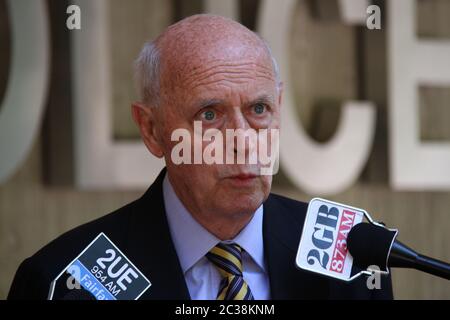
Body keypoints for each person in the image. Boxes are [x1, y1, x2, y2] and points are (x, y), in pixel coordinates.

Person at [8, 14, 393, 300]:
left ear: (279, 107)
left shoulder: (354, 260)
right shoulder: (66, 280)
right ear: (151, 130)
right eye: (209, 114)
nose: (243, 141)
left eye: (259, 110)